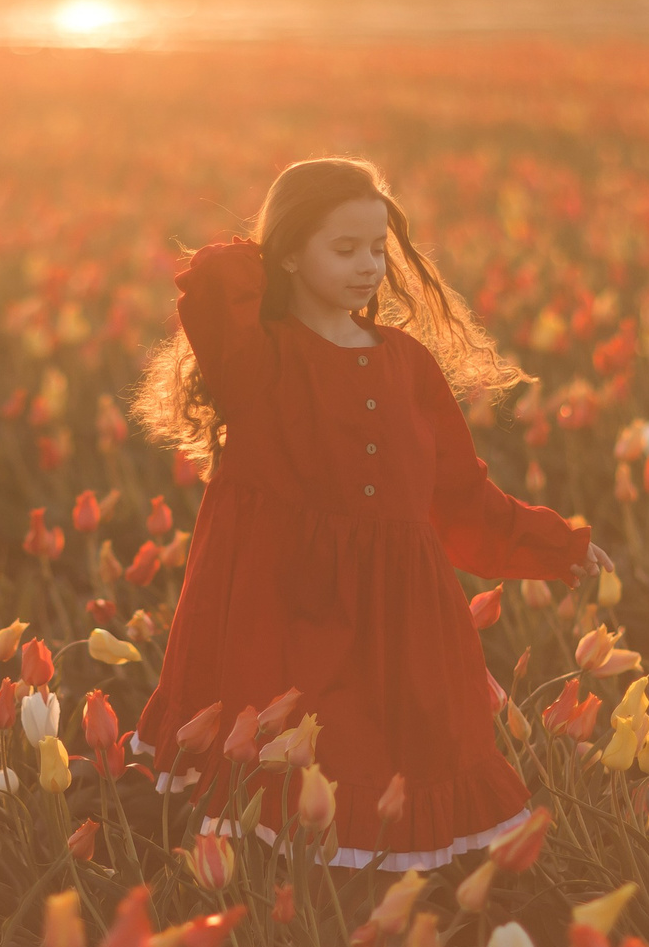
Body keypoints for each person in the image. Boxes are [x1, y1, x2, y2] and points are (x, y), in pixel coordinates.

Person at [129, 157, 607, 870]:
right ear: (288, 253)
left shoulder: (408, 363)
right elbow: (213, 282)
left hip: (397, 616)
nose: (367, 266)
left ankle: (379, 922)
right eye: (343, 247)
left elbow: (459, 494)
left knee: (385, 768)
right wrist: (271, 251)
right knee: (294, 776)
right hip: (284, 607)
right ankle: (286, 920)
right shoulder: (258, 361)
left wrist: (553, 544)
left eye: (378, 248)